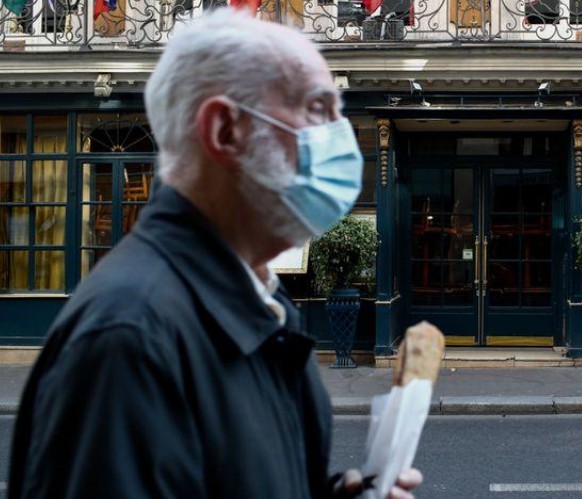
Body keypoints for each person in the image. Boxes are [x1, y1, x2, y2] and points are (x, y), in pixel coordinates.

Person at [8, 8, 421, 499]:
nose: (340, 134)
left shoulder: (264, 304)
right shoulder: (129, 338)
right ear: (226, 129)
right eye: (317, 108)